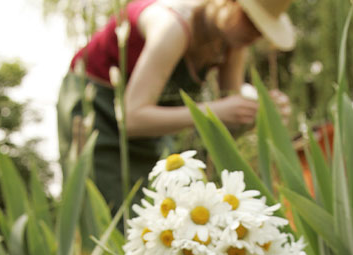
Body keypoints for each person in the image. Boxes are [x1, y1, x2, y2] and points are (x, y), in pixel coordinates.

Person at [57, 0, 295, 217]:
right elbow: (132, 119)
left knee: (162, 212)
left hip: (154, 126)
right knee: (107, 212)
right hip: (97, 109)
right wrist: (213, 110)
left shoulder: (231, 44)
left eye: (262, 28)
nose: (256, 35)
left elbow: (225, 127)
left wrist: (258, 113)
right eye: (251, 21)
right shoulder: (172, 26)